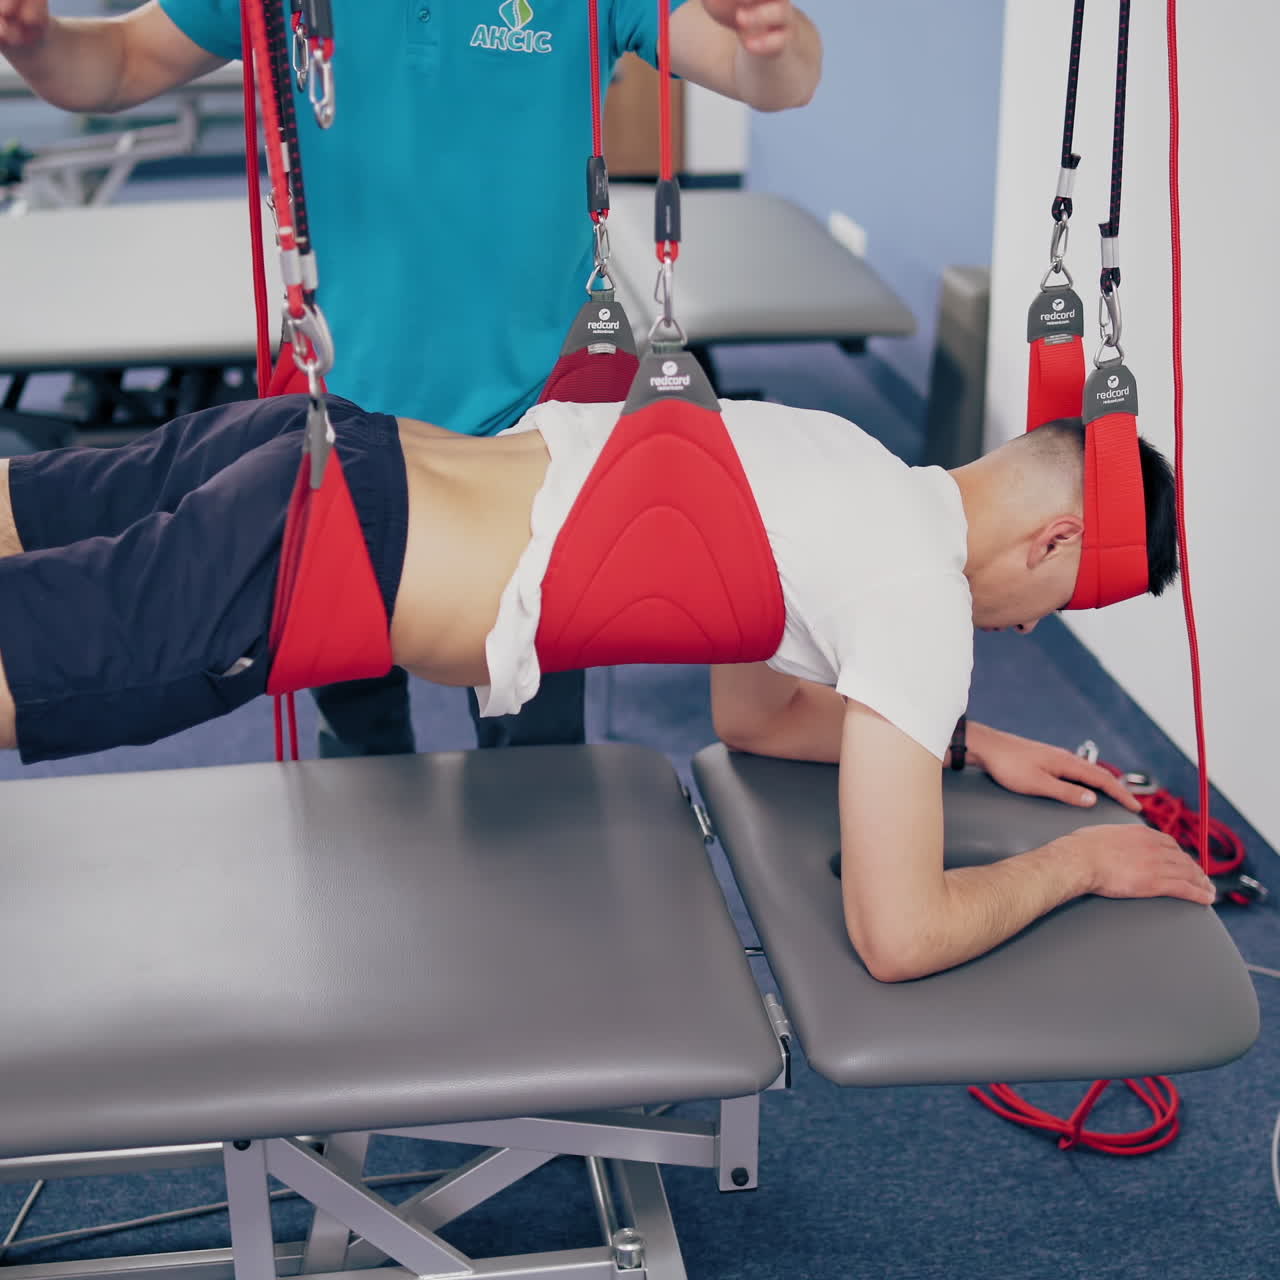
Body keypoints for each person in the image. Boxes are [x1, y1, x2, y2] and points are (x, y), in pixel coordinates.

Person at [0, 392, 1214, 983]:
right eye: (1051, 607)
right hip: (322, 556)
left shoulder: (847, 455)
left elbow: (754, 712)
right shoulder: (919, 597)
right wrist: (1082, 862)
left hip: (320, 446)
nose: (1023, 627)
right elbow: (896, 934)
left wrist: (959, 741)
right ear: (1055, 543)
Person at [0, 0, 824, 758]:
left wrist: (771, 41)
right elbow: (119, 63)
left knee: (533, 768)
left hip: (532, 443)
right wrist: (40, 43)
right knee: (359, 746)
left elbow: (773, 77)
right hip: (337, 429)